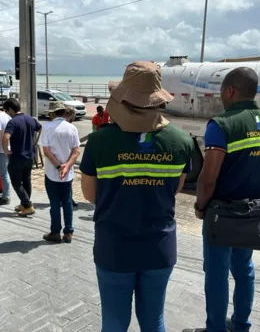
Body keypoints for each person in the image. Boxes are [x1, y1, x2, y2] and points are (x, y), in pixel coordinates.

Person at [80, 61, 194, 332]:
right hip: (159, 247)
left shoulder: (99, 141)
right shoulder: (181, 141)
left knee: (115, 322)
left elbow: (89, 194)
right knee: (153, 321)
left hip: (114, 247)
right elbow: (175, 189)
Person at [184, 67, 260, 332]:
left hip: (222, 216)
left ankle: (215, 328)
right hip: (254, 213)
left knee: (217, 275)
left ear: (230, 90)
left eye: (221, 91)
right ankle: (241, 325)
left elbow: (208, 177)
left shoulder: (221, 124)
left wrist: (200, 206)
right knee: (244, 270)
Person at [39, 102, 81, 243]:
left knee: (55, 203)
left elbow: (46, 151)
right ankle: (68, 232)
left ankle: (55, 232)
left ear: (51, 113)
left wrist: (58, 167)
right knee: (67, 201)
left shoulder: (47, 127)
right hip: (68, 173)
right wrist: (67, 166)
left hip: (52, 172)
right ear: (63, 112)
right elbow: (76, 151)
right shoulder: (72, 128)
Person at [2, 98, 42, 217]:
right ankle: (25, 204)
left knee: (16, 182)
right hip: (29, 156)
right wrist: (36, 143)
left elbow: (5, 138)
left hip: (17, 157)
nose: (7, 113)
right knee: (26, 180)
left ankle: (28, 205)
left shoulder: (13, 122)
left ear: (10, 110)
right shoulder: (30, 119)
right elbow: (40, 129)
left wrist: (6, 151)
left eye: (6, 111)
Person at [64, 106, 79, 207]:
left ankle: (67, 198)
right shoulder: (71, 128)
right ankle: (68, 199)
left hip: (57, 158)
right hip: (68, 158)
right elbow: (76, 149)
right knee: (68, 180)